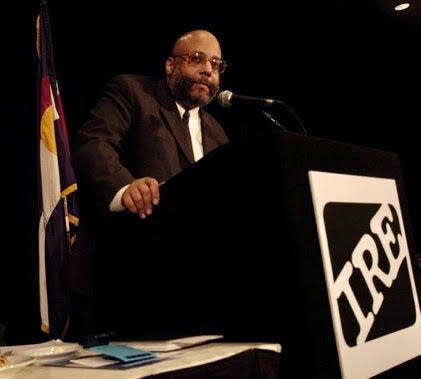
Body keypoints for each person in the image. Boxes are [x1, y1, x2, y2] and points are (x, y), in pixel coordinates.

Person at [67, 29, 229, 339]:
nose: (207, 69)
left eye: (215, 63)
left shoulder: (218, 133)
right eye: (196, 59)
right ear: (170, 65)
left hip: (191, 290)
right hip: (123, 280)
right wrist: (125, 187)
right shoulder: (133, 92)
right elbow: (94, 143)